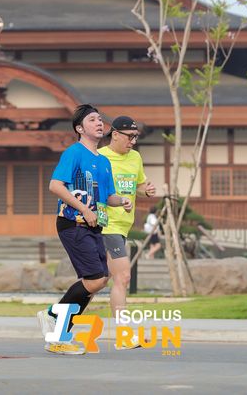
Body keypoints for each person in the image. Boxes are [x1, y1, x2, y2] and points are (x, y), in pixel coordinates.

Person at [37, 104, 133, 355]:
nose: (99, 123)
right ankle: (54, 319)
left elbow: (108, 196)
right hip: (73, 223)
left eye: (100, 119)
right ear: (80, 128)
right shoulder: (74, 153)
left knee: (99, 279)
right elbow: (55, 185)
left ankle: (57, 329)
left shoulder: (103, 161)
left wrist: (122, 201)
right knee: (95, 278)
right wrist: (84, 209)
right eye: (92, 120)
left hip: (94, 225)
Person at [98, 116, 156, 350]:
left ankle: (58, 316)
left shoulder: (135, 158)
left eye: (136, 137)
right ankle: (124, 336)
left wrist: (145, 190)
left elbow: (137, 186)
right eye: (130, 137)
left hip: (123, 226)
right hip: (106, 225)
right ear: (115, 135)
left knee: (97, 280)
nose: (133, 141)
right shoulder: (100, 157)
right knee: (123, 277)